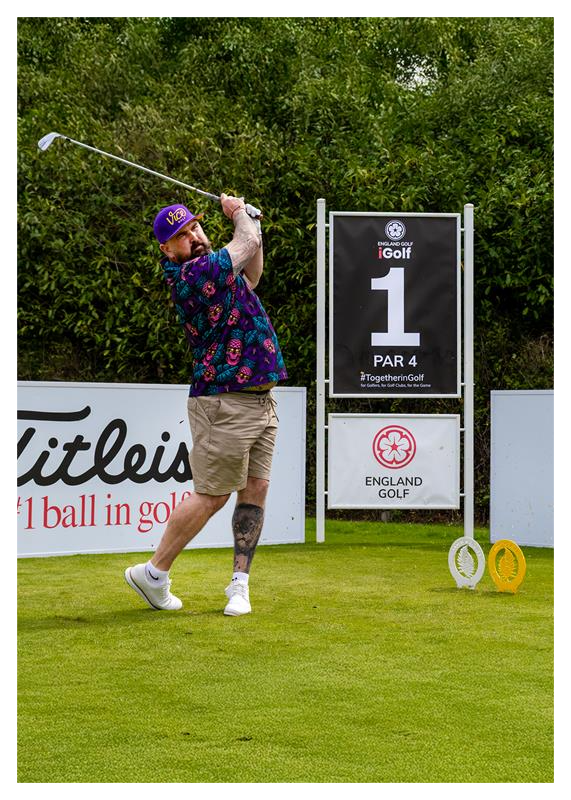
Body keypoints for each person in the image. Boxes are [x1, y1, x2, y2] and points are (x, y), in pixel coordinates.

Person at [125, 194, 287, 616]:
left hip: (260, 400)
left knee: (256, 489)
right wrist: (240, 214)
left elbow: (253, 271)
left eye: (195, 227)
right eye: (182, 235)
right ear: (167, 249)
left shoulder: (220, 270)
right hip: (223, 401)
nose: (194, 236)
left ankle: (239, 585)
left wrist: (251, 221)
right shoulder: (192, 275)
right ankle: (154, 573)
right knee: (211, 496)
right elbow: (246, 244)